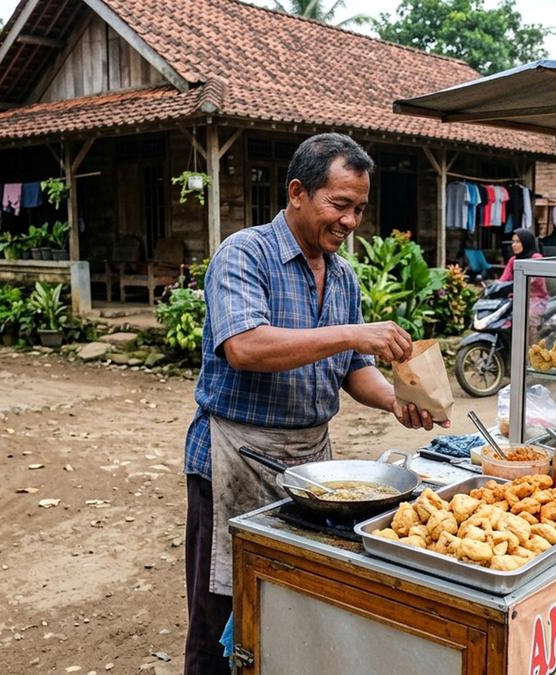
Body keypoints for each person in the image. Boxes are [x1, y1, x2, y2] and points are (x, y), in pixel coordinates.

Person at [182, 133, 448, 674]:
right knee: (222, 614)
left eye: (359, 209)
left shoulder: (342, 275)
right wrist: (351, 333)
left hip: (312, 468)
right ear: (298, 192)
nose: (350, 221)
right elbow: (245, 347)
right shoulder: (245, 253)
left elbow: (353, 369)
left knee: (292, 608)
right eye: (340, 204)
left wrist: (396, 401)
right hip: (234, 457)